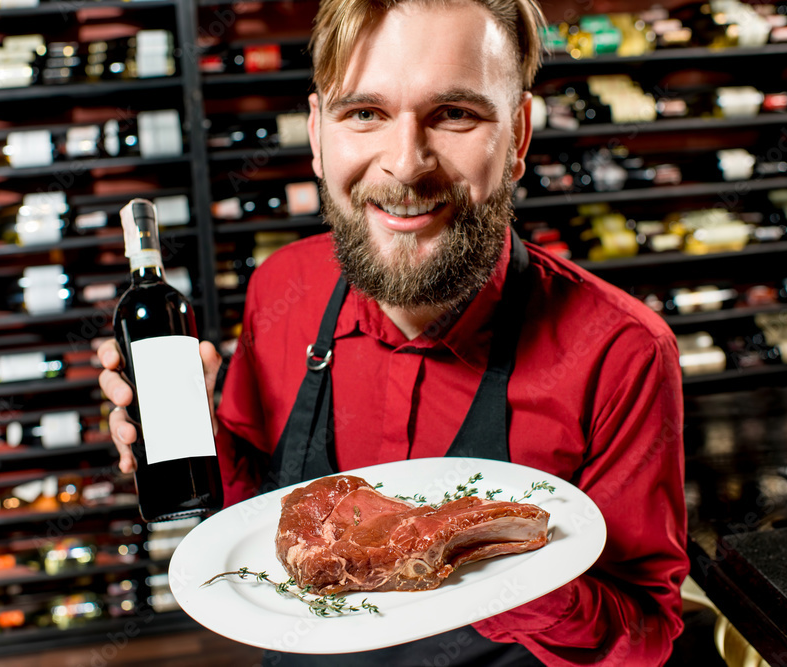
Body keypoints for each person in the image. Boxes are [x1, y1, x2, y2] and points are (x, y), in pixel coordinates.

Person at [98, 0, 689, 664]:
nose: (406, 165)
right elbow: (252, 514)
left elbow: (643, 637)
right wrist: (190, 441)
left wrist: (485, 558)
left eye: (455, 113)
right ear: (318, 135)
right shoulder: (281, 288)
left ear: (519, 136)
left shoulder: (621, 353)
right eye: (365, 113)